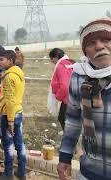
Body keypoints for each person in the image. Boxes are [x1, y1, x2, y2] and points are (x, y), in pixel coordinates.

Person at [58, 18, 111, 180]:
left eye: (106, 40)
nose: (99, 46)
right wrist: (65, 157)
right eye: (91, 43)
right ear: (85, 51)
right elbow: (73, 121)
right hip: (90, 172)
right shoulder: (78, 78)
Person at [0, 50, 26, 179]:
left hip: (9, 115)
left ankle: (8, 174)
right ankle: (21, 172)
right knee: (19, 144)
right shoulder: (18, 73)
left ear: (10, 61)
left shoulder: (9, 77)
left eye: (2, 59)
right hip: (18, 112)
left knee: (8, 145)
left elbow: (10, 100)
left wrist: (10, 121)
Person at [47, 48, 75, 130]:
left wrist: (58, 97)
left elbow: (65, 86)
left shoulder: (61, 66)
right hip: (71, 97)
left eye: (51, 58)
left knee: (64, 119)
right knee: (63, 118)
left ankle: (69, 137)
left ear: (56, 57)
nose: (51, 61)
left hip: (67, 99)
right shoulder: (69, 62)